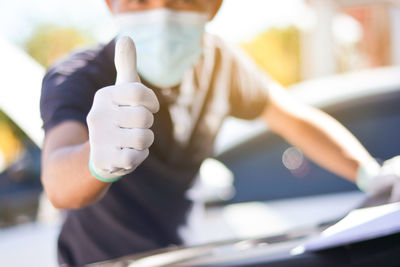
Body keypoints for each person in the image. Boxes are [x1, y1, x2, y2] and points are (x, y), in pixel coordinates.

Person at [40, 0, 400, 265]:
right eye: (142, 0)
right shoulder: (77, 77)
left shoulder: (221, 65)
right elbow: (58, 182)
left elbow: (296, 120)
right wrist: (94, 160)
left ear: (213, 7)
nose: (162, 13)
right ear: (111, 3)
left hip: (186, 258)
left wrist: (371, 173)